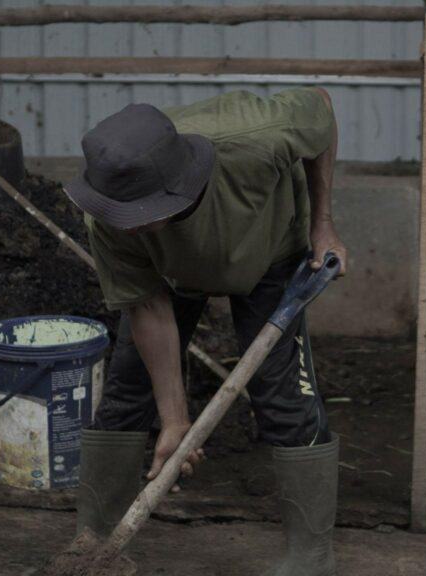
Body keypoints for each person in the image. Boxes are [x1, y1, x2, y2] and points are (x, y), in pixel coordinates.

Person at [65, 87, 348, 576]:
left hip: (269, 251)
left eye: (138, 217)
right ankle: (93, 542)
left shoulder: (258, 137)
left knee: (284, 399)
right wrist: (174, 419)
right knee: (126, 392)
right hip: (170, 275)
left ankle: (311, 558)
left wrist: (323, 225)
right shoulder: (108, 204)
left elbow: (320, 106)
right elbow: (148, 306)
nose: (124, 227)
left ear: (177, 188)